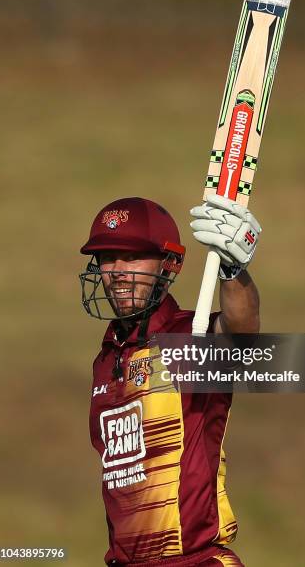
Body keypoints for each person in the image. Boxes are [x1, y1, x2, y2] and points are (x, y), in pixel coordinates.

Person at [79, 195, 261, 567]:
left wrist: (232, 270)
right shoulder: (107, 359)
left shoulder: (188, 341)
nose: (117, 271)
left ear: (170, 264)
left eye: (132, 258)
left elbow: (241, 333)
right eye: (108, 258)